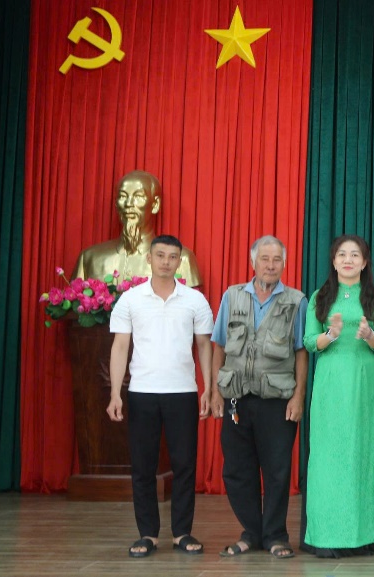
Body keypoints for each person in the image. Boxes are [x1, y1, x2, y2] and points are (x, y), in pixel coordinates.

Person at [106, 234, 213, 558]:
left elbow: (204, 345)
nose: (166, 261)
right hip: (142, 392)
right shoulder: (130, 299)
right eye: (161, 255)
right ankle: (148, 534)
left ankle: (182, 533)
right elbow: (120, 346)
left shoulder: (194, 300)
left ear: (180, 261)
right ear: (149, 259)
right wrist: (115, 393)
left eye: (173, 256)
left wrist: (209, 387)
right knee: (143, 467)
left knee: (184, 465)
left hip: (183, 392)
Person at [210, 236, 307, 559]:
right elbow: (219, 346)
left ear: (284, 264)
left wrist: (298, 396)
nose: (270, 265)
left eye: (277, 259)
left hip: (277, 400)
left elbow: (301, 352)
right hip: (236, 398)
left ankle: (276, 535)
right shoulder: (232, 296)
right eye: (264, 259)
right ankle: (252, 532)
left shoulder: (296, 301)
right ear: (253, 262)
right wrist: (215, 391)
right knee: (237, 471)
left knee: (277, 471)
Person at [302, 235, 374, 557]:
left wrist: (369, 335)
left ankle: (365, 534)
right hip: (330, 383)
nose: (348, 260)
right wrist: (330, 334)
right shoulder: (321, 296)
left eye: (355, 255)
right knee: (329, 457)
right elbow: (310, 342)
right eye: (342, 254)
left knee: (362, 454)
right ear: (333, 260)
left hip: (363, 381)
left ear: (365, 262)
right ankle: (327, 535)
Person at [74, 170, 202, 286]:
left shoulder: (181, 260)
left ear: (155, 205)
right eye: (123, 196)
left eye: (138, 197)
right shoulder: (89, 258)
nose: (128, 204)